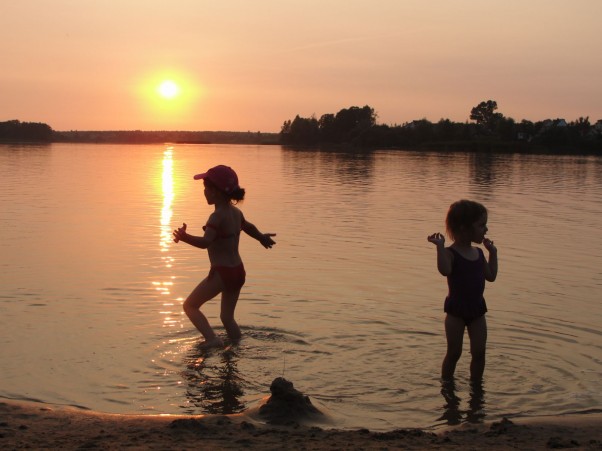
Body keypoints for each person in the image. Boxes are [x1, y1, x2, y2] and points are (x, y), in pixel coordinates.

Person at [173, 165, 276, 348]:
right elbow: (248, 227)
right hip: (238, 271)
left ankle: (212, 339)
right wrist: (261, 237)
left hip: (221, 273)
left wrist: (185, 237)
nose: (204, 192)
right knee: (227, 317)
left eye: (206, 188)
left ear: (216, 192)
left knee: (190, 306)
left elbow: (206, 242)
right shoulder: (236, 212)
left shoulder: (216, 217)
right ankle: (237, 346)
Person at [427, 200, 498, 381]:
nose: (486, 229)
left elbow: (491, 276)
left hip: (477, 311)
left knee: (479, 353)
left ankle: (476, 386)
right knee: (454, 353)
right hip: (456, 313)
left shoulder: (479, 253)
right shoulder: (451, 254)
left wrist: (493, 253)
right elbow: (445, 270)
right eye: (481, 225)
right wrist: (440, 248)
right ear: (464, 228)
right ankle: (447, 385)